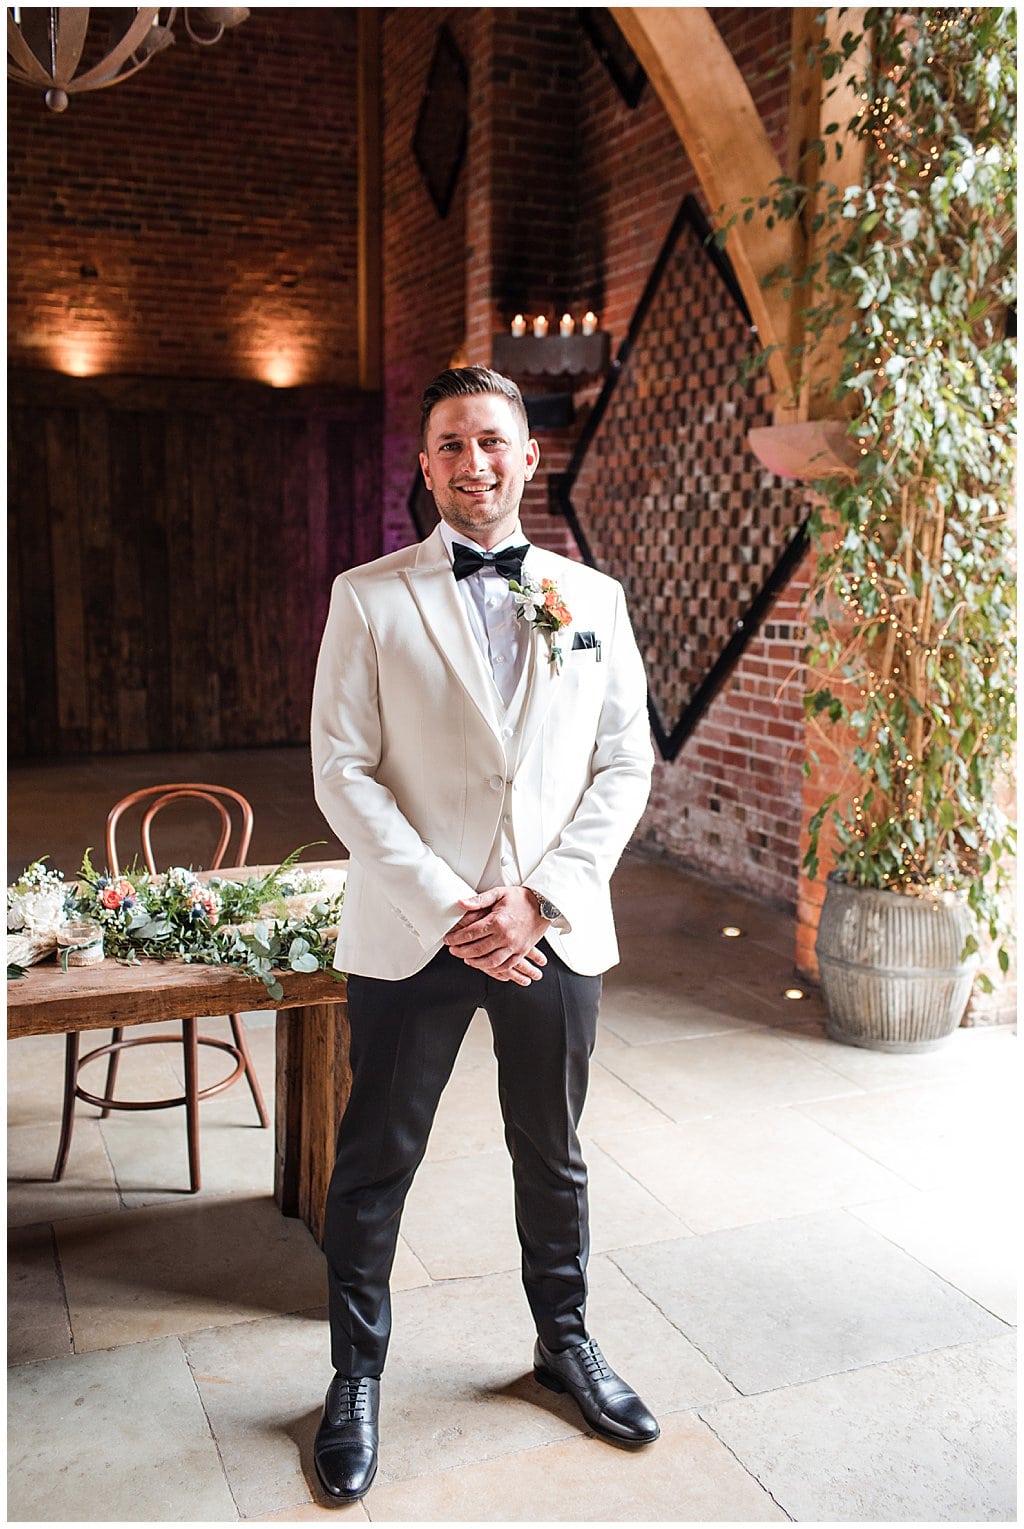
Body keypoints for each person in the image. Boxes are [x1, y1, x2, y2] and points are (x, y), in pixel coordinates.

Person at [309, 364, 657, 1503]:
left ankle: (565, 1341)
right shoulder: (369, 595)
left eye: (493, 441)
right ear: (426, 465)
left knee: (550, 1154)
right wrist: (454, 906)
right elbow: (342, 768)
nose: (475, 462)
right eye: (451, 444)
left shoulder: (589, 599)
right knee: (373, 1164)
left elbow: (621, 762)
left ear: (527, 455)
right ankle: (353, 1375)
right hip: (419, 932)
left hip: (553, 929)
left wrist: (539, 898)